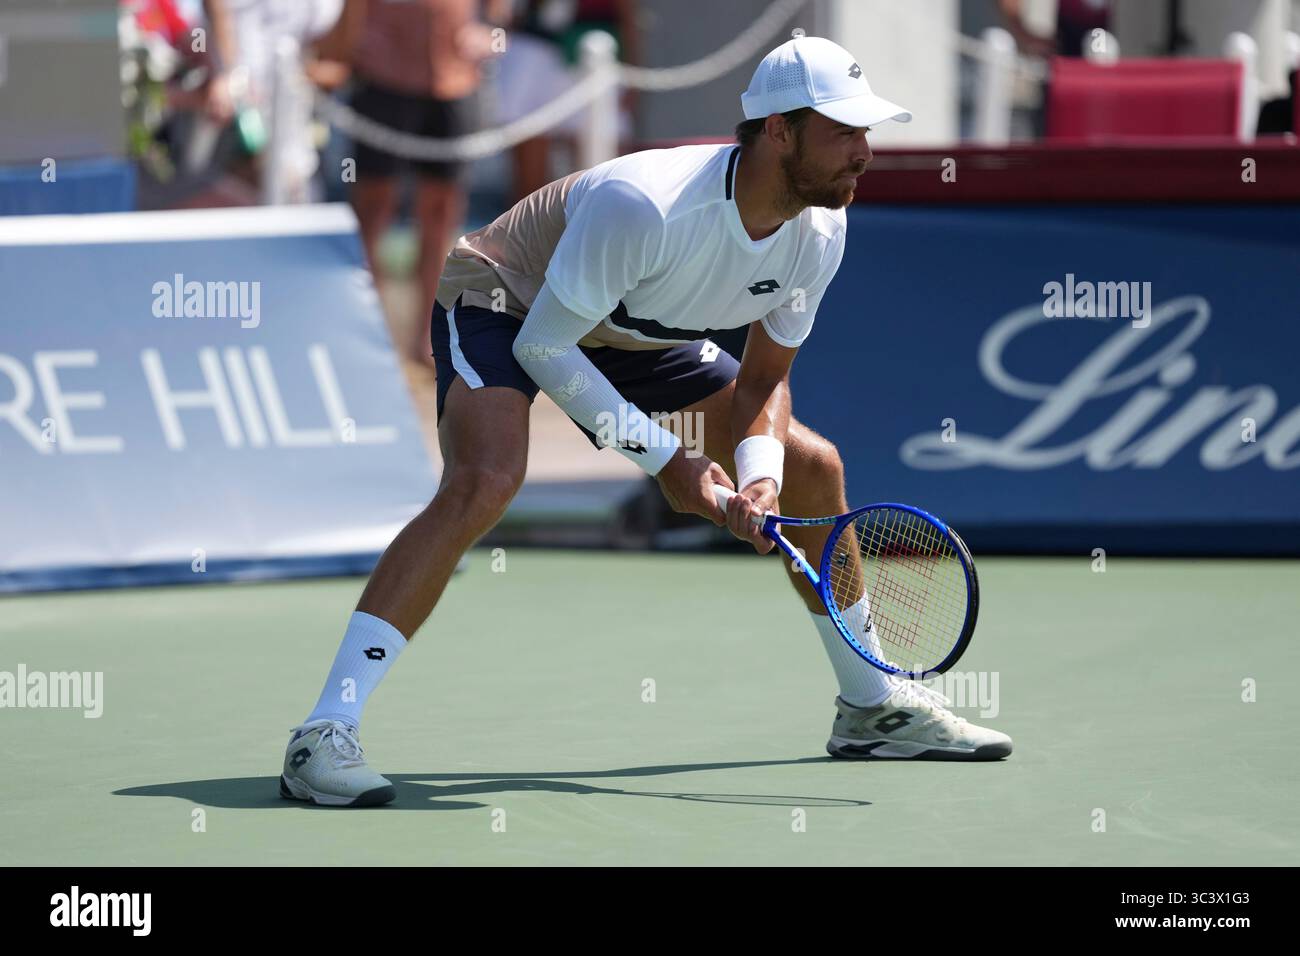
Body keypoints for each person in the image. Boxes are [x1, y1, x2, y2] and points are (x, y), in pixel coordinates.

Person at [280, 36, 1013, 807]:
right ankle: (325, 732)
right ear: (777, 132)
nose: (864, 153)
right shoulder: (649, 206)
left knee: (810, 468)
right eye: (844, 132)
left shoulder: (821, 227)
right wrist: (671, 462)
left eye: (867, 133)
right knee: (486, 480)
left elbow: (765, 379)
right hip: (510, 301)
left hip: (637, 329)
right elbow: (545, 346)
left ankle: (873, 706)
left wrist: (759, 481)